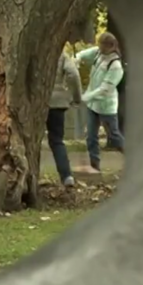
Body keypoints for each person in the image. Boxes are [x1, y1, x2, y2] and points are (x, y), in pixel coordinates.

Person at [75, 32, 125, 173]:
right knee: (91, 137)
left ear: (110, 46)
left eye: (102, 44)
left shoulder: (115, 66)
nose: (99, 47)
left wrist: (85, 97)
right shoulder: (99, 54)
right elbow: (84, 54)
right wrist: (76, 59)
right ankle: (94, 165)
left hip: (106, 107)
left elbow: (104, 90)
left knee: (114, 137)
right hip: (93, 106)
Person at [48, 50, 83, 187]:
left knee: (32, 142)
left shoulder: (33, 50)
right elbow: (73, 74)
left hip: (35, 102)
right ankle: (66, 176)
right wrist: (76, 98)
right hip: (57, 102)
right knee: (57, 141)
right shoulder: (62, 55)